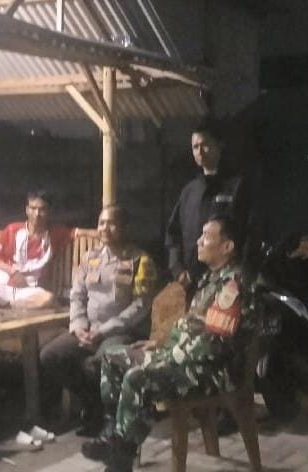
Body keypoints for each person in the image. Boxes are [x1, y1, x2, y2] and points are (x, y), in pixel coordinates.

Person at [84, 216, 252, 471]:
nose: (198, 241)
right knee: (113, 357)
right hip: (185, 360)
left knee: (137, 377)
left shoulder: (233, 284)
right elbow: (192, 327)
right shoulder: (211, 278)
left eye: (206, 237)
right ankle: (113, 435)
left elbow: (214, 344)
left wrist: (168, 355)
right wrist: (160, 345)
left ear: (227, 247)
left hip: (211, 372)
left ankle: (121, 455)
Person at [39, 205, 159, 436]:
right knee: (50, 355)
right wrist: (78, 326)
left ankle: (107, 417)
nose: (105, 228)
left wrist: (103, 331)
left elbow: (140, 306)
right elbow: (77, 295)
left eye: (111, 223)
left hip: (122, 332)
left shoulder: (140, 261)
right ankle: (91, 404)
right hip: (88, 329)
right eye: (102, 222)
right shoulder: (90, 257)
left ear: (124, 227)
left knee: (97, 363)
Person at [0, 190, 95, 310]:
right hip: (4, 281)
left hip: (28, 289)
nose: (37, 214)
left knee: (48, 299)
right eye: (33, 208)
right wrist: (12, 272)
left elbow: (79, 232)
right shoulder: (12, 230)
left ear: (48, 211)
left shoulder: (54, 233)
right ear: (27, 210)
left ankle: (6, 303)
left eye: (42, 209)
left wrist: (101, 232)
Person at [165, 119, 247, 294]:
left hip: (227, 281)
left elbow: (247, 232)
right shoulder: (189, 191)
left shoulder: (238, 186)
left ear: (220, 145)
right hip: (191, 283)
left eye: (205, 145)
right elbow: (173, 234)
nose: (200, 151)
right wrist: (177, 269)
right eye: (195, 147)